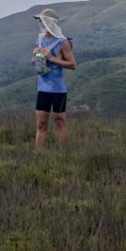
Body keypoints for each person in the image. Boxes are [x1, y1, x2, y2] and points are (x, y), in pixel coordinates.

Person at [31, 8, 76, 149]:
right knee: (41, 123)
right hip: (42, 88)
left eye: (42, 20)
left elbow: (72, 64)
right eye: (39, 20)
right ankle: (37, 155)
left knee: (59, 121)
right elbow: (35, 61)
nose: (40, 23)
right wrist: (35, 57)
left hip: (58, 89)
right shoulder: (39, 39)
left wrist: (52, 58)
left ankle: (64, 155)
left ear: (49, 22)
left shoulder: (63, 42)